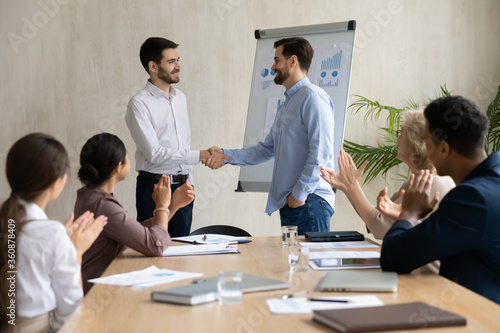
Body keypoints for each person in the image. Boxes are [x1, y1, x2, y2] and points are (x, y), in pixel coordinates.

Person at [205, 37, 335, 235]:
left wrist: (299, 195)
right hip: (294, 203)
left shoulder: (313, 98)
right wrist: (225, 154)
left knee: (310, 265)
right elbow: (267, 149)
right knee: (294, 264)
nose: (273, 67)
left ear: (293, 61)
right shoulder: (288, 103)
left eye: (276, 60)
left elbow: (320, 154)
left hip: (309, 202)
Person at [380, 96, 500, 305]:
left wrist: (409, 213)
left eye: (427, 144)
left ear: (444, 149)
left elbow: (394, 258)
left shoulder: (471, 199)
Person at [0, 133, 107, 333]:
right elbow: (70, 314)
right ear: (55, 183)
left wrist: (61, 246)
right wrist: (75, 252)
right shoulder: (51, 233)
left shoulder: (16, 223)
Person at [125, 37, 227, 237]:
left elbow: (183, 145)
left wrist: (189, 181)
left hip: (183, 187)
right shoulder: (139, 104)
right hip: (155, 188)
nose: (178, 66)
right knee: (153, 249)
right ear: (153, 66)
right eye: (171, 62)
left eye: (177, 60)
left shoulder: (181, 98)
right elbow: (155, 154)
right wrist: (201, 155)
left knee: (182, 249)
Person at [74, 133, 195, 294]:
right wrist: (161, 205)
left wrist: (172, 206)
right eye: (128, 158)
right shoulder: (103, 205)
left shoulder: (91, 196)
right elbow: (155, 245)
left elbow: (135, 232)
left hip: (99, 284)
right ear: (118, 166)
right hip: (96, 292)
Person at [320, 111, 455, 243]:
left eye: (401, 133)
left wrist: (351, 186)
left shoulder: (433, 184)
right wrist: (348, 185)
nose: (397, 139)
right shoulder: (413, 183)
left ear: (414, 142)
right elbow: (376, 220)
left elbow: (378, 225)